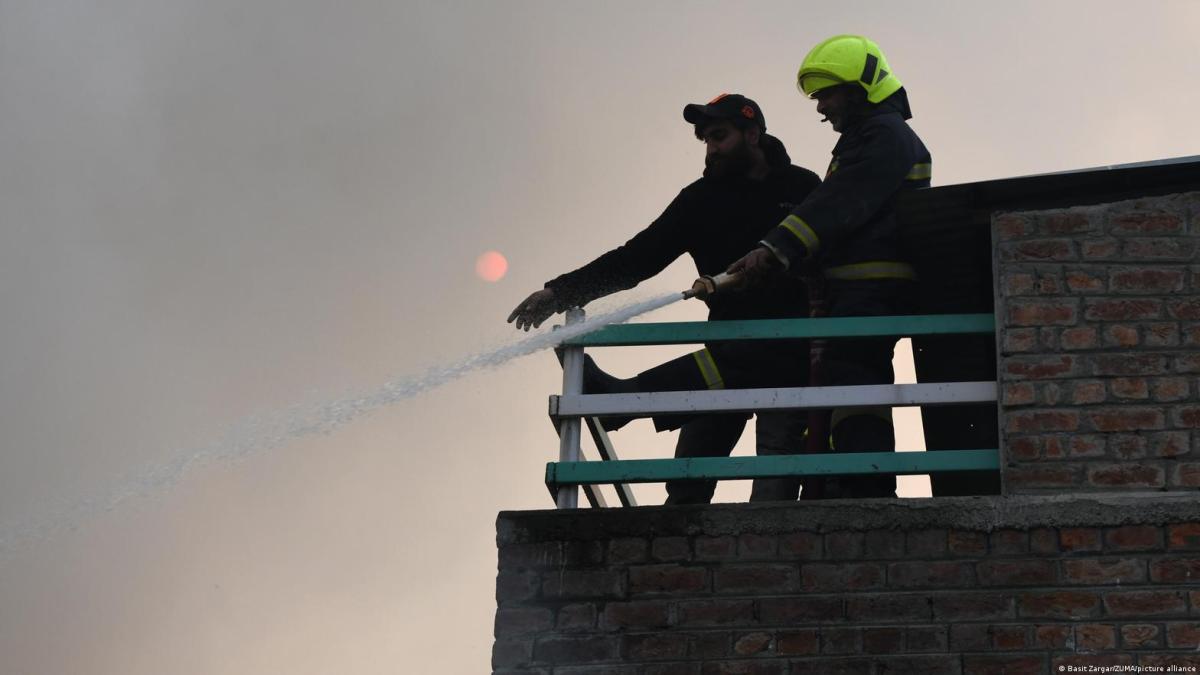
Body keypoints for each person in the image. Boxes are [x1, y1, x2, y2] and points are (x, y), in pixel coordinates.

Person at [507, 94, 821, 504]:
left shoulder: (803, 187)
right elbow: (637, 258)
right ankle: (676, 529)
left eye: (719, 136)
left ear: (753, 134)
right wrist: (559, 292)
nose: (711, 149)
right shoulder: (701, 200)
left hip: (794, 352)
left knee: (776, 470)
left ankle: (624, 400)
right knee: (690, 467)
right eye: (705, 140)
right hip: (727, 347)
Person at [727, 35, 932, 499]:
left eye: (827, 95)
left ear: (859, 87)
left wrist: (775, 248)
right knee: (847, 381)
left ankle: (864, 490)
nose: (821, 108)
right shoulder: (870, 137)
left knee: (856, 381)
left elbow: (841, 202)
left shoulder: (885, 135)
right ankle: (845, 483)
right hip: (858, 290)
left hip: (873, 288)